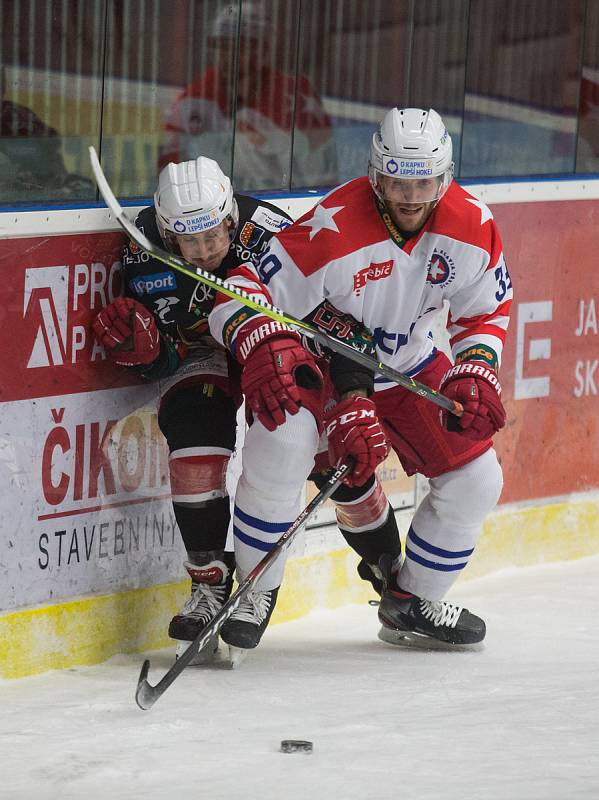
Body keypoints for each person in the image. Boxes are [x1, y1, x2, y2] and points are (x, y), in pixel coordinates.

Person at [207, 107, 512, 653]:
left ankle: (409, 601)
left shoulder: (473, 224)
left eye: (424, 182)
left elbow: (485, 310)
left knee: (477, 480)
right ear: (376, 174)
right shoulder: (335, 226)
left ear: (445, 177)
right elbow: (244, 289)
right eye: (397, 180)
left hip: (406, 363)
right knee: (282, 441)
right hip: (320, 365)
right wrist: (258, 340)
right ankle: (257, 587)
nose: (411, 196)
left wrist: (476, 366)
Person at [92, 156, 292, 662]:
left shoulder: (271, 232)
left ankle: (392, 585)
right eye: (190, 242)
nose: (204, 253)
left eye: (214, 237)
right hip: (205, 349)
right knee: (193, 452)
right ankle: (210, 580)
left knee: (300, 449)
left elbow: (316, 306)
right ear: (166, 231)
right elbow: (168, 352)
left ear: (230, 218)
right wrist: (152, 354)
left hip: (274, 344)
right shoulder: (142, 248)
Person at [158, 1, 337, 191]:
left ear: (264, 49)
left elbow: (323, 179)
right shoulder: (193, 100)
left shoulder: (297, 98)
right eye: (221, 46)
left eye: (240, 46)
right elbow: (168, 178)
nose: (228, 55)